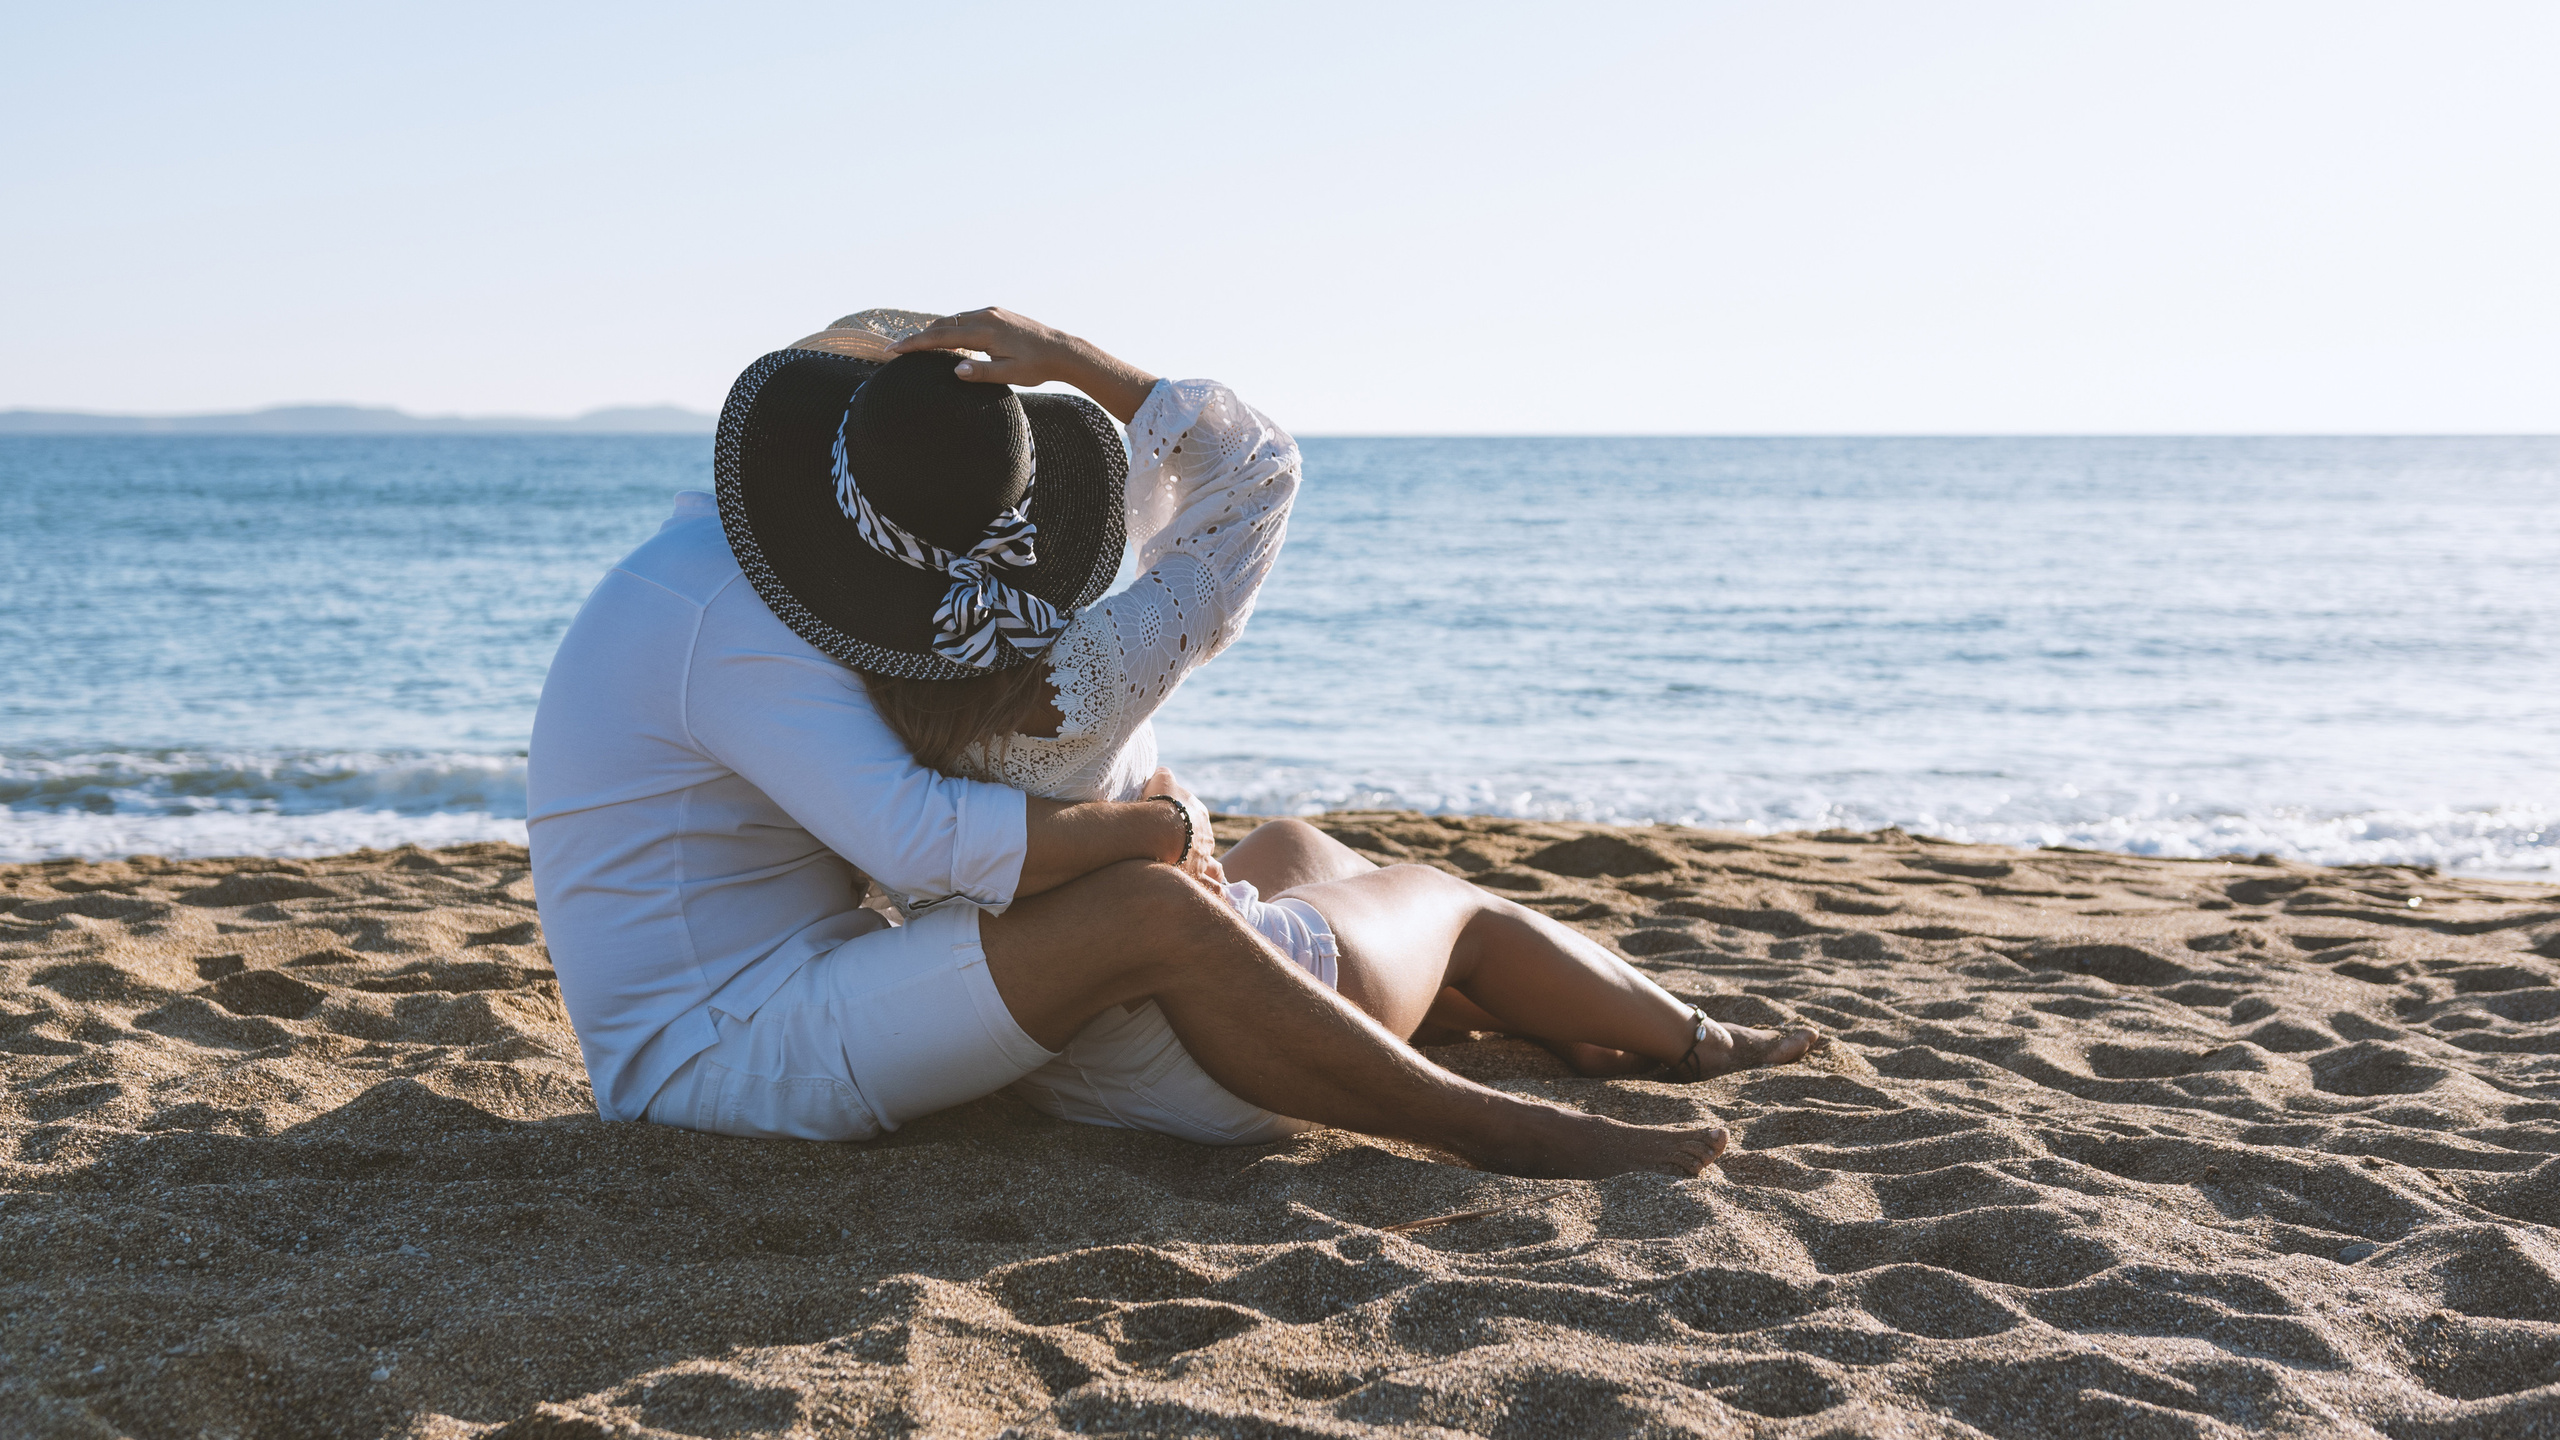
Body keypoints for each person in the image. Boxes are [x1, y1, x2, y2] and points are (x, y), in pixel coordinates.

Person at [527, 307, 1809, 1181]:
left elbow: (933, 816)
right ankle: (1502, 1119)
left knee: (1298, 850)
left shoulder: (826, 598)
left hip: (860, 988)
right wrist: (1166, 824)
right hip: (720, 1043)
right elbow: (923, 839)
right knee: (1299, 900)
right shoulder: (755, 616)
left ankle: (1499, 1020)